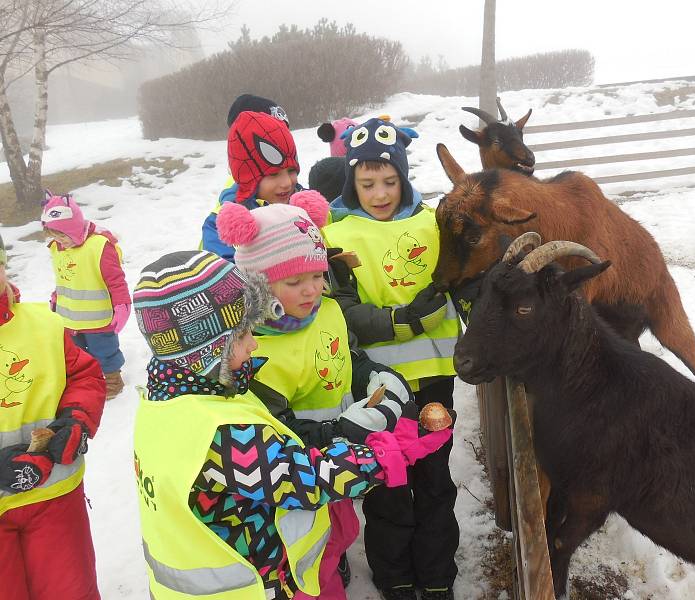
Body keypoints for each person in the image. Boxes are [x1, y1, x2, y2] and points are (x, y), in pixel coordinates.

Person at [132, 249, 453, 600]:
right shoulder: (219, 434)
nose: (253, 343)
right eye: (240, 338)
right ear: (206, 352)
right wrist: (386, 454)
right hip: (249, 589)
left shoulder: (165, 401)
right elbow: (307, 479)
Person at [216, 194, 417, 599]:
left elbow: (345, 356)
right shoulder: (252, 353)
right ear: (257, 286)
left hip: (340, 462)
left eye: (317, 276)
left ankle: (336, 557)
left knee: (340, 529)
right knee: (313, 553)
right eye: (293, 282)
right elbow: (277, 433)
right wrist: (342, 430)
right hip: (300, 483)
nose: (311, 290)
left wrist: (375, 375)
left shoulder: (327, 310)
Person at [323, 117, 462, 600]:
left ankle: (438, 573)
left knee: (434, 479)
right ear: (351, 183)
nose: (379, 193)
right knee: (386, 478)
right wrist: (401, 319)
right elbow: (340, 310)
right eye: (367, 184)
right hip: (378, 386)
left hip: (435, 382)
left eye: (389, 181)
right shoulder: (337, 234)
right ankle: (395, 576)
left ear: (404, 179)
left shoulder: (434, 224)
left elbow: (464, 280)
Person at [0, 231, 106, 600]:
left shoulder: (43, 325)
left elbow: (83, 375)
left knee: (70, 590)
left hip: (54, 497)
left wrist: (76, 419)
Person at [41, 191, 130, 400]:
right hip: (69, 317)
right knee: (77, 354)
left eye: (63, 234)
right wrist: (56, 299)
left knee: (105, 351)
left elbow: (116, 281)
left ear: (74, 227)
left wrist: (122, 305)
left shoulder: (99, 247)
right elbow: (64, 279)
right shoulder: (57, 247)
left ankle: (112, 381)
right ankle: (86, 380)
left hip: (97, 317)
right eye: (53, 235)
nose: (59, 240)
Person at [201, 110, 302, 261]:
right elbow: (227, 279)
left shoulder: (302, 204)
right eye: (273, 174)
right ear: (247, 179)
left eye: (291, 170)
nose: (287, 182)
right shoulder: (220, 228)